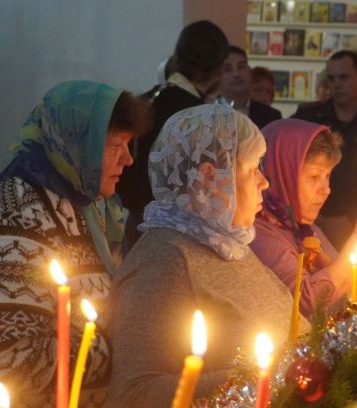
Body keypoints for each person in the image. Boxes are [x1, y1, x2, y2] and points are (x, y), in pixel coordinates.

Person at [108, 104, 301, 406]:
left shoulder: (228, 244)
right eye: (252, 169)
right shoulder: (162, 264)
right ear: (210, 177)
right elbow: (134, 394)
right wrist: (268, 379)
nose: (264, 182)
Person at [0, 80, 151, 407]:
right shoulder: (15, 212)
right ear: (75, 142)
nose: (128, 160)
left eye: (129, 145)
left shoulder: (83, 204)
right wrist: (127, 345)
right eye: (115, 145)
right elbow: (6, 356)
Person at [252, 119, 357, 317]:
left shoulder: (306, 228)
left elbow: (341, 295)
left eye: (327, 176)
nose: (326, 190)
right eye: (314, 177)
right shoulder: (258, 232)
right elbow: (307, 308)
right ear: (279, 174)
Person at [117, 20, 230, 249]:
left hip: (135, 230)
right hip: (175, 239)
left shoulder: (147, 100)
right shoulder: (199, 117)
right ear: (218, 68)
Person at [293, 51, 357, 247]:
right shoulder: (309, 117)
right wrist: (315, 217)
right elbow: (289, 165)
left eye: (344, 77)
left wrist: (351, 217)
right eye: (331, 79)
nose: (337, 84)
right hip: (308, 220)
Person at [209, 46, 282, 129]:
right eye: (228, 69)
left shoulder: (271, 116)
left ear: (249, 71)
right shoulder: (203, 113)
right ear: (217, 75)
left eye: (241, 67)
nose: (237, 74)